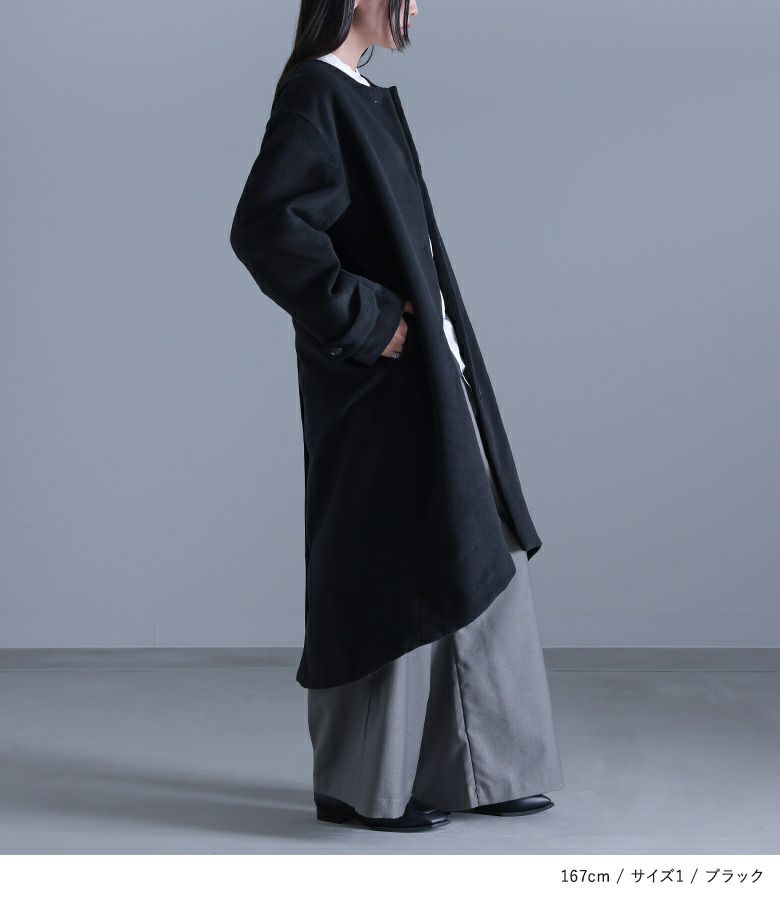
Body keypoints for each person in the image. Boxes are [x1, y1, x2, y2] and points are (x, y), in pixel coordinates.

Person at [229, 0, 564, 832]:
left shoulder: (356, 93)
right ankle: (360, 787)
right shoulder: (316, 92)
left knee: (478, 541)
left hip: (434, 373)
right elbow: (267, 229)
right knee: (389, 568)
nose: (415, 6)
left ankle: (484, 770)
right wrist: (368, 322)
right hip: (379, 386)